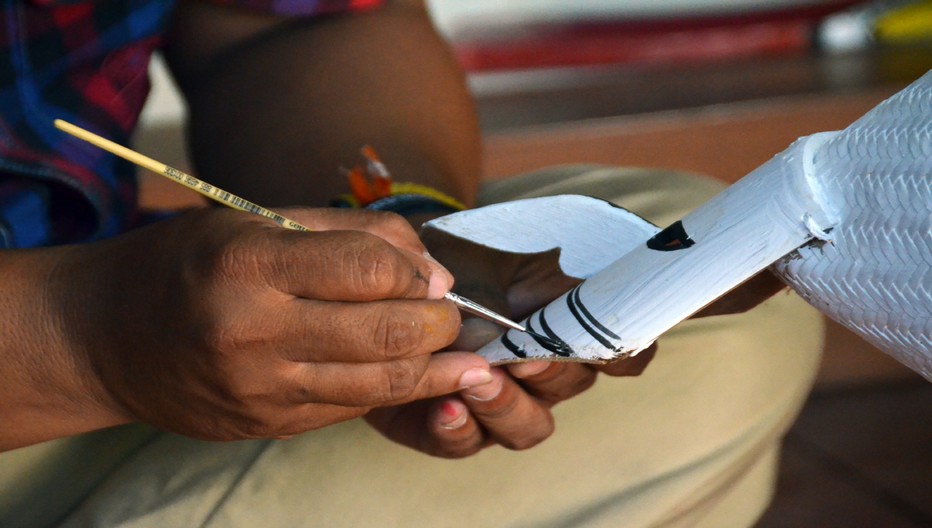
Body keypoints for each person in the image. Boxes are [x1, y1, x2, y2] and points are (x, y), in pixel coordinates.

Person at [0, 1, 824, 526]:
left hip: (122, 320)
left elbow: (295, 22)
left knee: (713, 307)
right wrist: (82, 341)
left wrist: (405, 226)